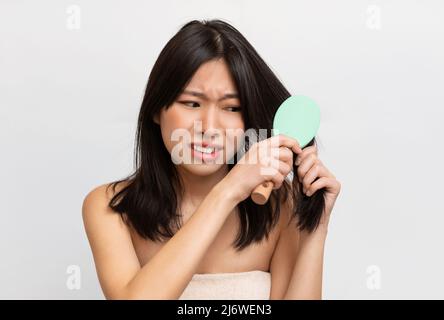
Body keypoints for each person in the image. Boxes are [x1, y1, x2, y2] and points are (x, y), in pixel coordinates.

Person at [82, 19, 341, 300]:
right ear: (157, 109)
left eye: (231, 107)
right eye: (192, 103)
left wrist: (316, 228)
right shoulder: (109, 208)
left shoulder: (280, 205)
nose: (209, 127)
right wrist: (229, 191)